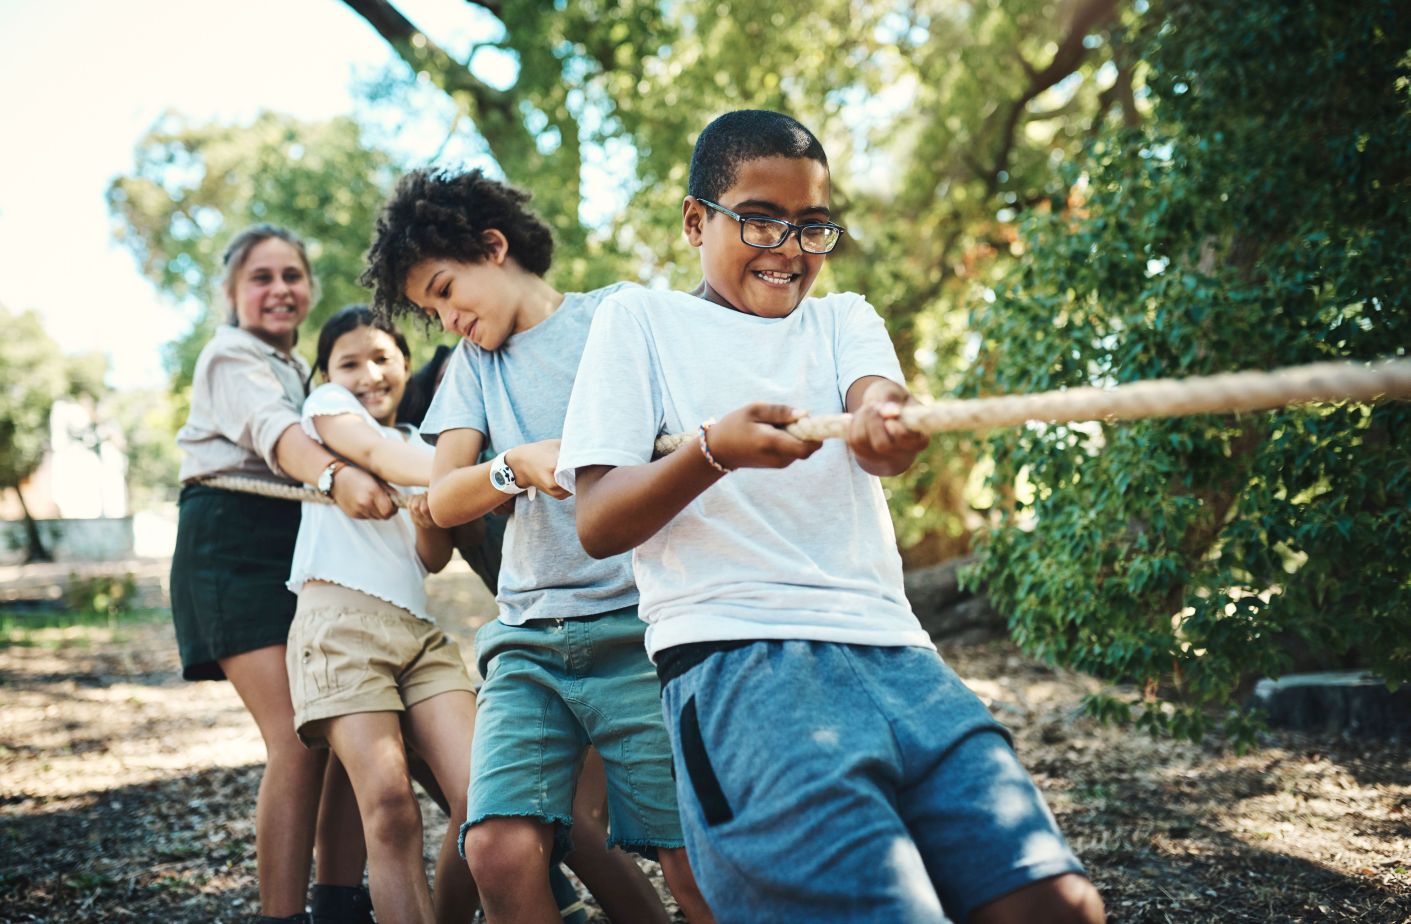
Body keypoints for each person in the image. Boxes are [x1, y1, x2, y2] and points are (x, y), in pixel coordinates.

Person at [556, 109, 1107, 924]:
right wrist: (712, 453)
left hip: (900, 658)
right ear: (693, 220)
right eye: (761, 219)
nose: (788, 249)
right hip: (739, 666)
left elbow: (881, 427)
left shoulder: (842, 316)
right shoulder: (639, 322)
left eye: (812, 227)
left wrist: (890, 417)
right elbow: (598, 521)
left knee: (1056, 904)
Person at [360, 167, 713, 924]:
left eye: (446, 291)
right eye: (429, 309)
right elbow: (444, 496)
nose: (445, 318)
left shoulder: (617, 316)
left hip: (639, 629)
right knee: (496, 850)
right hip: (528, 641)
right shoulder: (473, 368)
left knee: (690, 858)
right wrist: (512, 464)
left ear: (494, 247)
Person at [170, 225, 394, 924]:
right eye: (260, 278)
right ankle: (281, 916)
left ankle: (336, 902)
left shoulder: (307, 373)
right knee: (297, 739)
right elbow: (279, 436)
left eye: (291, 275)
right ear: (233, 294)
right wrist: (335, 475)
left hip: (299, 549)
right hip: (232, 546)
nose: (279, 289)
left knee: (334, 730)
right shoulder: (230, 356)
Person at [284, 305, 480, 924]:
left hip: (418, 635)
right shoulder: (326, 413)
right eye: (350, 362)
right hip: (338, 626)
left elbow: (432, 557)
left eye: (382, 358)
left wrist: (431, 514)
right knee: (392, 809)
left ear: (405, 365)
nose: (368, 373)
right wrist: (488, 471)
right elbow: (373, 451)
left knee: (484, 801)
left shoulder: (424, 446)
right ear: (327, 373)